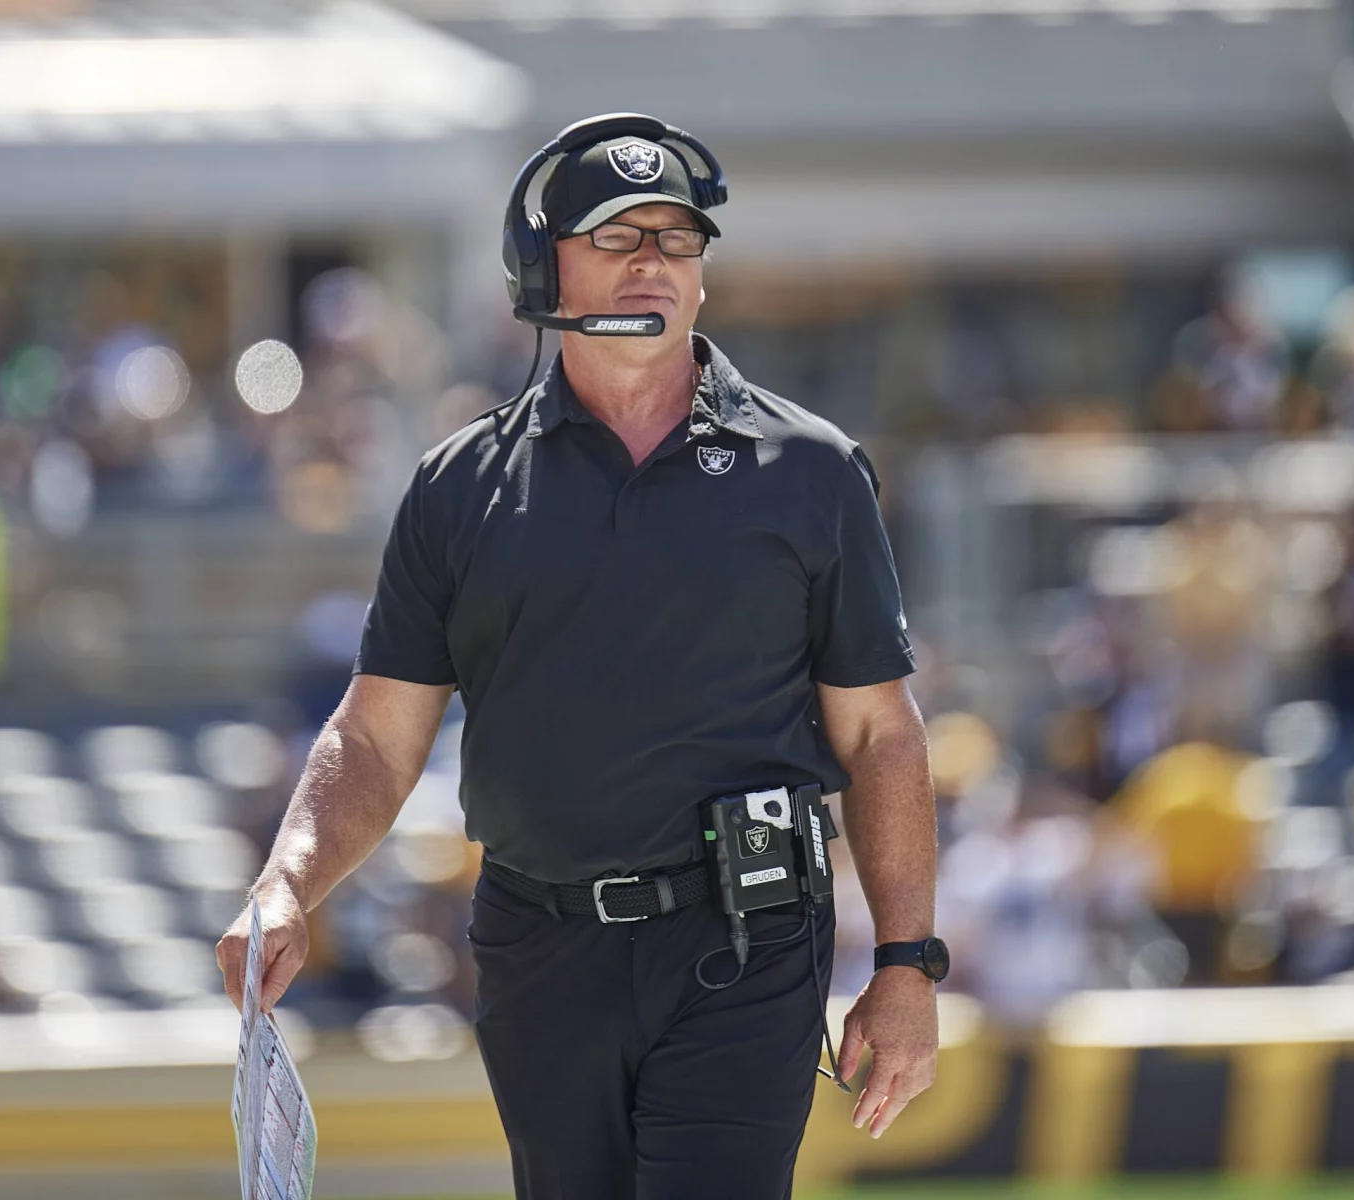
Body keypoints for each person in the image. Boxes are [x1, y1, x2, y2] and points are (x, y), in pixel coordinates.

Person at [217, 115, 944, 1199]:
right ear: (540, 265)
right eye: (617, 235)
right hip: (538, 949)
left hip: (746, 941)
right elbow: (376, 735)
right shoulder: (460, 489)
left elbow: (881, 732)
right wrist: (288, 883)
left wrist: (905, 965)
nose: (653, 260)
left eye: (677, 238)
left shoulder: (812, 471)